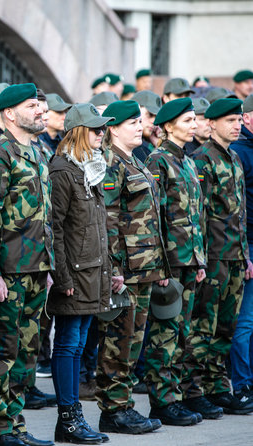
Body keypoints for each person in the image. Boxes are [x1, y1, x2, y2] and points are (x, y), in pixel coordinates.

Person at [0, 83, 54, 446]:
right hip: (8, 272)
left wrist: (48, 265)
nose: (41, 110)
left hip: (36, 269)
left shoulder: (36, 150)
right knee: (2, 353)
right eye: (32, 105)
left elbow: (45, 216)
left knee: (26, 354)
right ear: (9, 113)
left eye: (41, 105)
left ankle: (16, 425)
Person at [97, 100, 170, 435]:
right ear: (112, 128)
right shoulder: (111, 162)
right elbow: (108, 219)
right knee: (119, 340)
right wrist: (114, 268)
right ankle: (113, 410)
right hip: (126, 270)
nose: (139, 127)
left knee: (132, 342)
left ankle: (123, 405)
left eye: (140, 121)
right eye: (131, 123)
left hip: (145, 266)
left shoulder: (135, 160)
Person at [48, 102, 113, 444]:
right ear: (78, 132)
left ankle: (74, 418)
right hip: (74, 275)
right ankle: (68, 419)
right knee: (68, 345)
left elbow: (99, 227)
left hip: (92, 272)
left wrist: (109, 270)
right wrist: (63, 278)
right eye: (96, 129)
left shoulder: (89, 168)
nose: (102, 134)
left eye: (103, 129)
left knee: (78, 344)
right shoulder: (63, 170)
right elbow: (55, 228)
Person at [143, 98, 209, 425]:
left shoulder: (185, 161)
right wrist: (160, 267)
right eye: (187, 120)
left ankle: (176, 396)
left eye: (195, 119)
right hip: (169, 262)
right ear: (168, 126)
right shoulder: (158, 161)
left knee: (182, 333)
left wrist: (199, 261)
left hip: (188, 258)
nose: (194, 125)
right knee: (164, 334)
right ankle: (162, 401)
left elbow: (194, 216)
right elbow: (154, 218)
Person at [186, 98, 253, 415]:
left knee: (224, 328)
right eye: (230, 120)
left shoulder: (234, 159)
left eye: (239, 120)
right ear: (210, 124)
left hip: (234, 257)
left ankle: (216, 387)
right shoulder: (202, 160)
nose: (237, 125)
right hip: (212, 258)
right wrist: (199, 259)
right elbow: (197, 215)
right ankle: (191, 389)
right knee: (202, 327)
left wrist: (245, 255)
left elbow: (238, 214)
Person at [230, 94, 253, 403]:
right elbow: (239, 208)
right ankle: (243, 383)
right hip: (248, 243)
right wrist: (245, 250)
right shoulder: (240, 152)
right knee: (244, 322)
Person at [130, 90, 162, 162]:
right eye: (150, 114)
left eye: (156, 117)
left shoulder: (147, 145)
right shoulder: (129, 144)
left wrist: (158, 145)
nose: (154, 122)